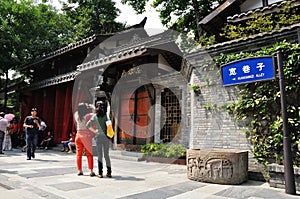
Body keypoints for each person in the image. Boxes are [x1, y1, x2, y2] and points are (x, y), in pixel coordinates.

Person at [86, 100, 112, 178]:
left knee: (100, 155)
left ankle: (100, 173)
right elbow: (109, 125)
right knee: (106, 155)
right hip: (106, 137)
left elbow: (88, 125)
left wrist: (95, 131)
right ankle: (109, 172)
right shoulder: (106, 115)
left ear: (97, 107)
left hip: (98, 137)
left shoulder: (94, 116)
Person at [74, 103, 95, 177]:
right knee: (89, 154)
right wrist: (92, 107)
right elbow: (96, 114)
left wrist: (83, 106)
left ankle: (79, 170)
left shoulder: (76, 115)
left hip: (78, 136)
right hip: (86, 136)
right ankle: (91, 171)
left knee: (79, 154)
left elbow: (77, 111)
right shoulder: (88, 116)